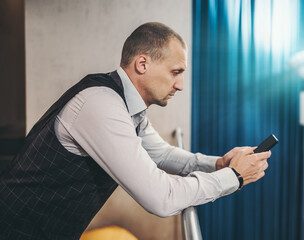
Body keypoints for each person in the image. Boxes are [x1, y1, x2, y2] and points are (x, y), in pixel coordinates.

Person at [0, 22, 270, 239]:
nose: (181, 85)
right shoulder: (101, 105)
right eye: (176, 72)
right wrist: (233, 177)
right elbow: (161, 198)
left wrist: (219, 164)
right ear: (142, 64)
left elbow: (161, 155)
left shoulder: (127, 106)